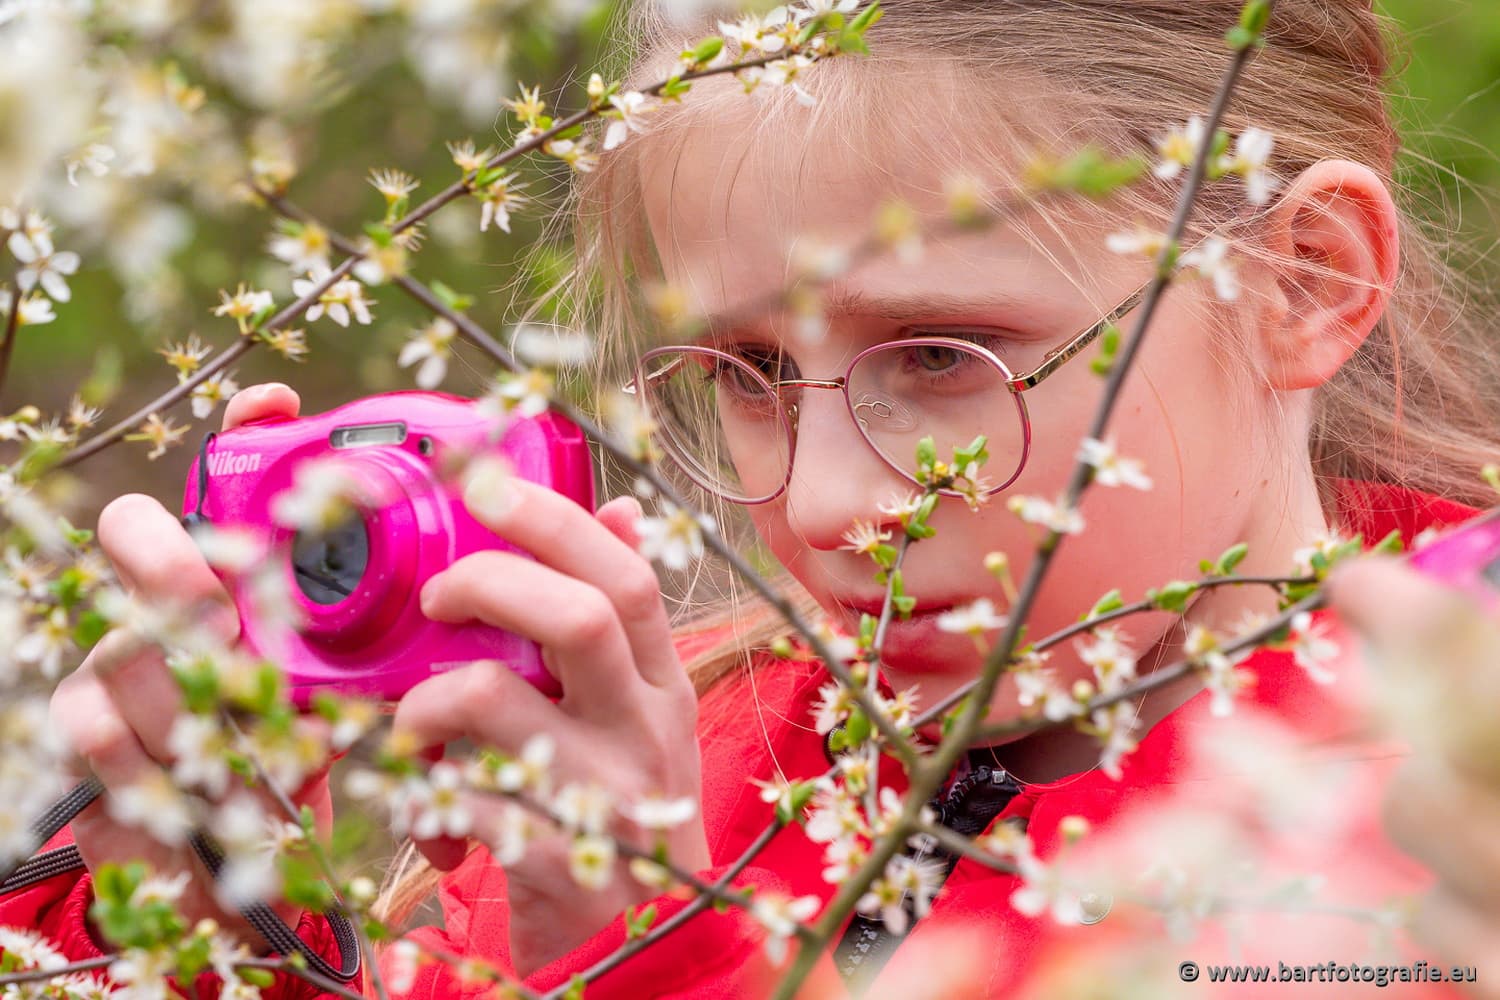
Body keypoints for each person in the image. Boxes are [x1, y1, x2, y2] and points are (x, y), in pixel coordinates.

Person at [4, 0, 1500, 996]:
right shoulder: (673, 776)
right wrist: (198, 933)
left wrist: (650, 963)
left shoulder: (1443, 815)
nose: (833, 501)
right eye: (749, 371)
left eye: (943, 356)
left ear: (1306, 282)